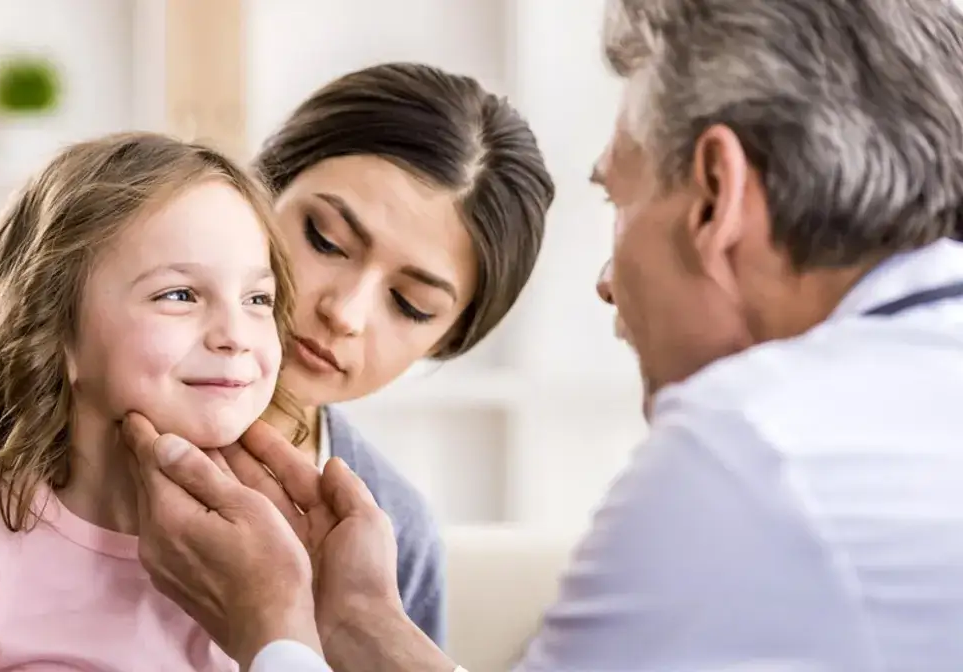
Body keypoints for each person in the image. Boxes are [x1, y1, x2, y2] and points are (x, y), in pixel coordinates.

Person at [120, 0, 963, 670]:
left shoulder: (750, 449)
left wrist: (278, 632)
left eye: (619, 201)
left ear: (716, 196)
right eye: (326, 239)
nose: (606, 282)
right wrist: (358, 625)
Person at [0, 62, 555, 671]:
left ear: (446, 341)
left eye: (411, 305)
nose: (345, 312)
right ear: (259, 197)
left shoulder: (387, 533)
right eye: (324, 239)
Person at [0, 131, 307, 669]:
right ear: (57, 335)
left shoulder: (283, 567)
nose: (235, 334)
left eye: (257, 298)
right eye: (179, 295)